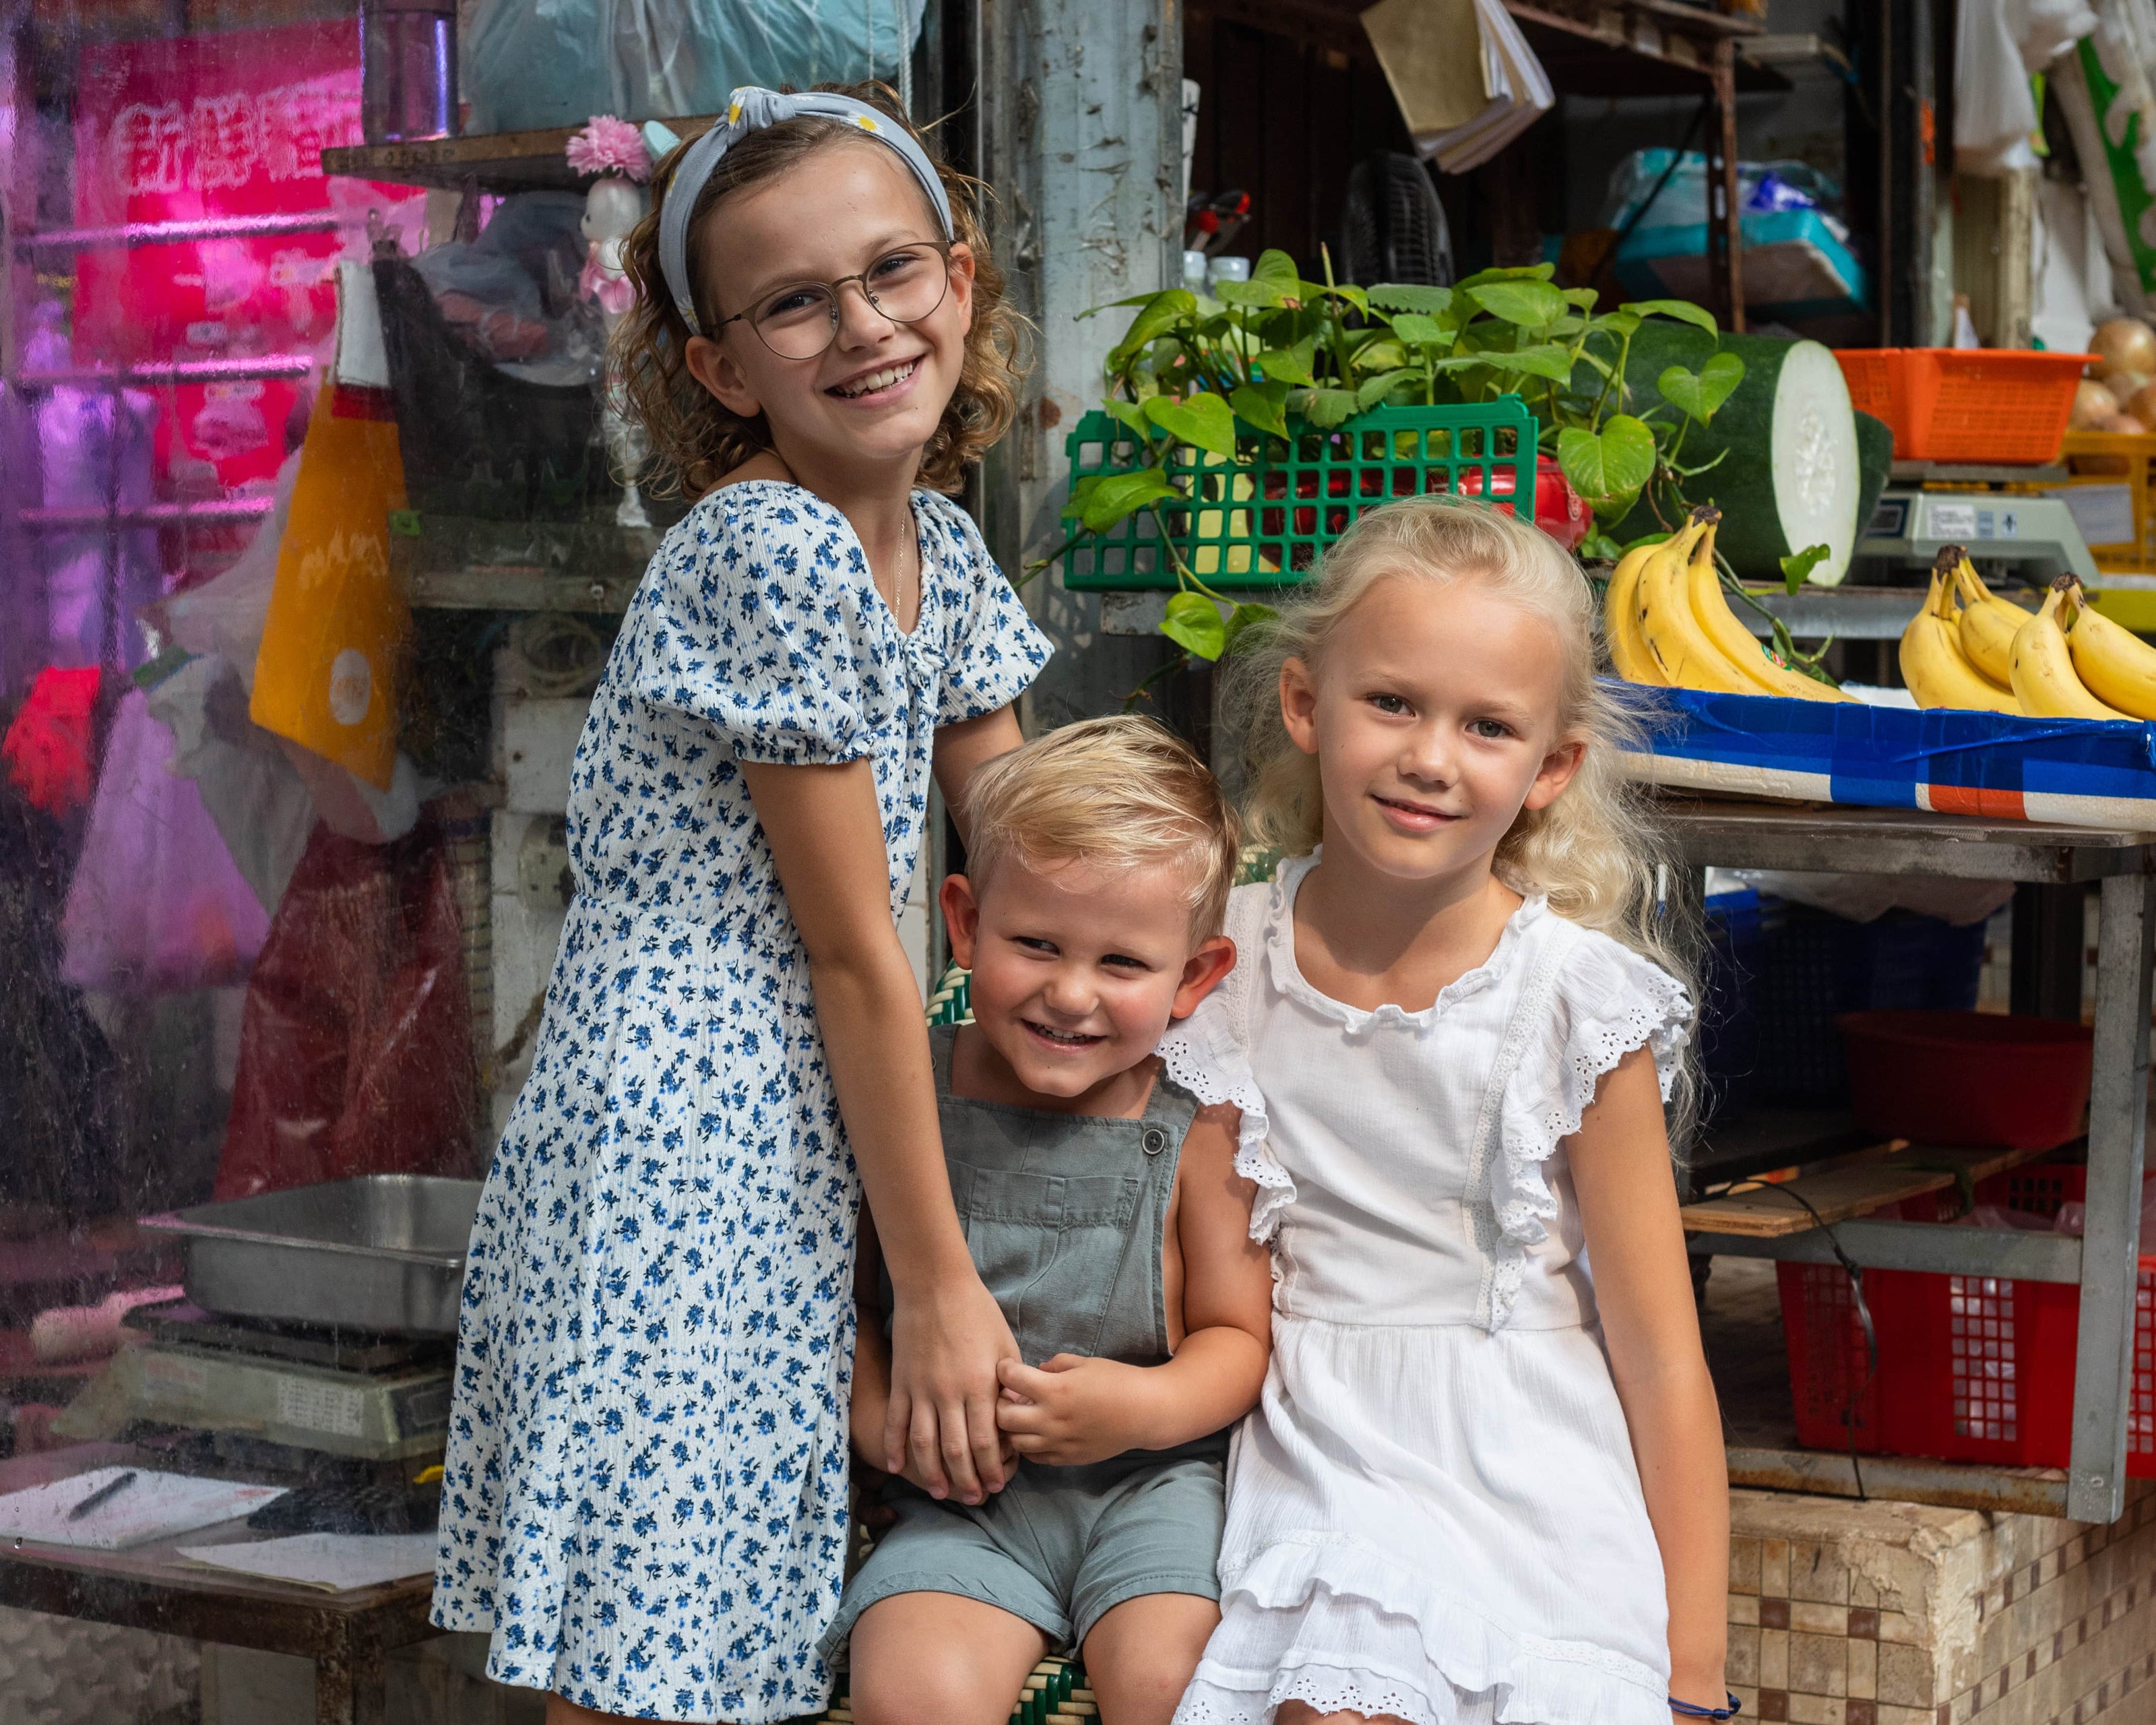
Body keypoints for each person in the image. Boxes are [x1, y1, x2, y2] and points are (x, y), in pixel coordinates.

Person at [431, 82, 1054, 1725]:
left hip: (806, 1124)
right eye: (794, 301)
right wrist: (933, 1284)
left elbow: (1017, 860)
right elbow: (861, 947)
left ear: (961, 284)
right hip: (690, 1141)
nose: (862, 325)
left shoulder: (937, 540)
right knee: (653, 1663)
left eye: (892, 272)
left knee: (731, 1637)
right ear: (716, 366)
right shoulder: (771, 543)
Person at [1164, 498, 1732, 1725]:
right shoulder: (1220, 960)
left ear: (1552, 769)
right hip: (1323, 1451)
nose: (1433, 756)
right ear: (1307, 706)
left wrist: (1698, 1674)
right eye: (1393, 704)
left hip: (1535, 1476)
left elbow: (1662, 1354)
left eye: (1489, 727)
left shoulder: (1575, 1003)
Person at [831, 718, 1274, 1725]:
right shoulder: (910, 1100)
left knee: (1172, 1685)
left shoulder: (1199, 1123)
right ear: (966, 921)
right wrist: (883, 1420)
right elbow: (844, 1301)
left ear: (1195, 978)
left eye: (1123, 964)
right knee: (907, 1693)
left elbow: (1241, 1339)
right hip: (965, 1510)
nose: (1071, 995)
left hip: (1154, 1489)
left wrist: (1140, 1409)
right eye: (1035, 944)